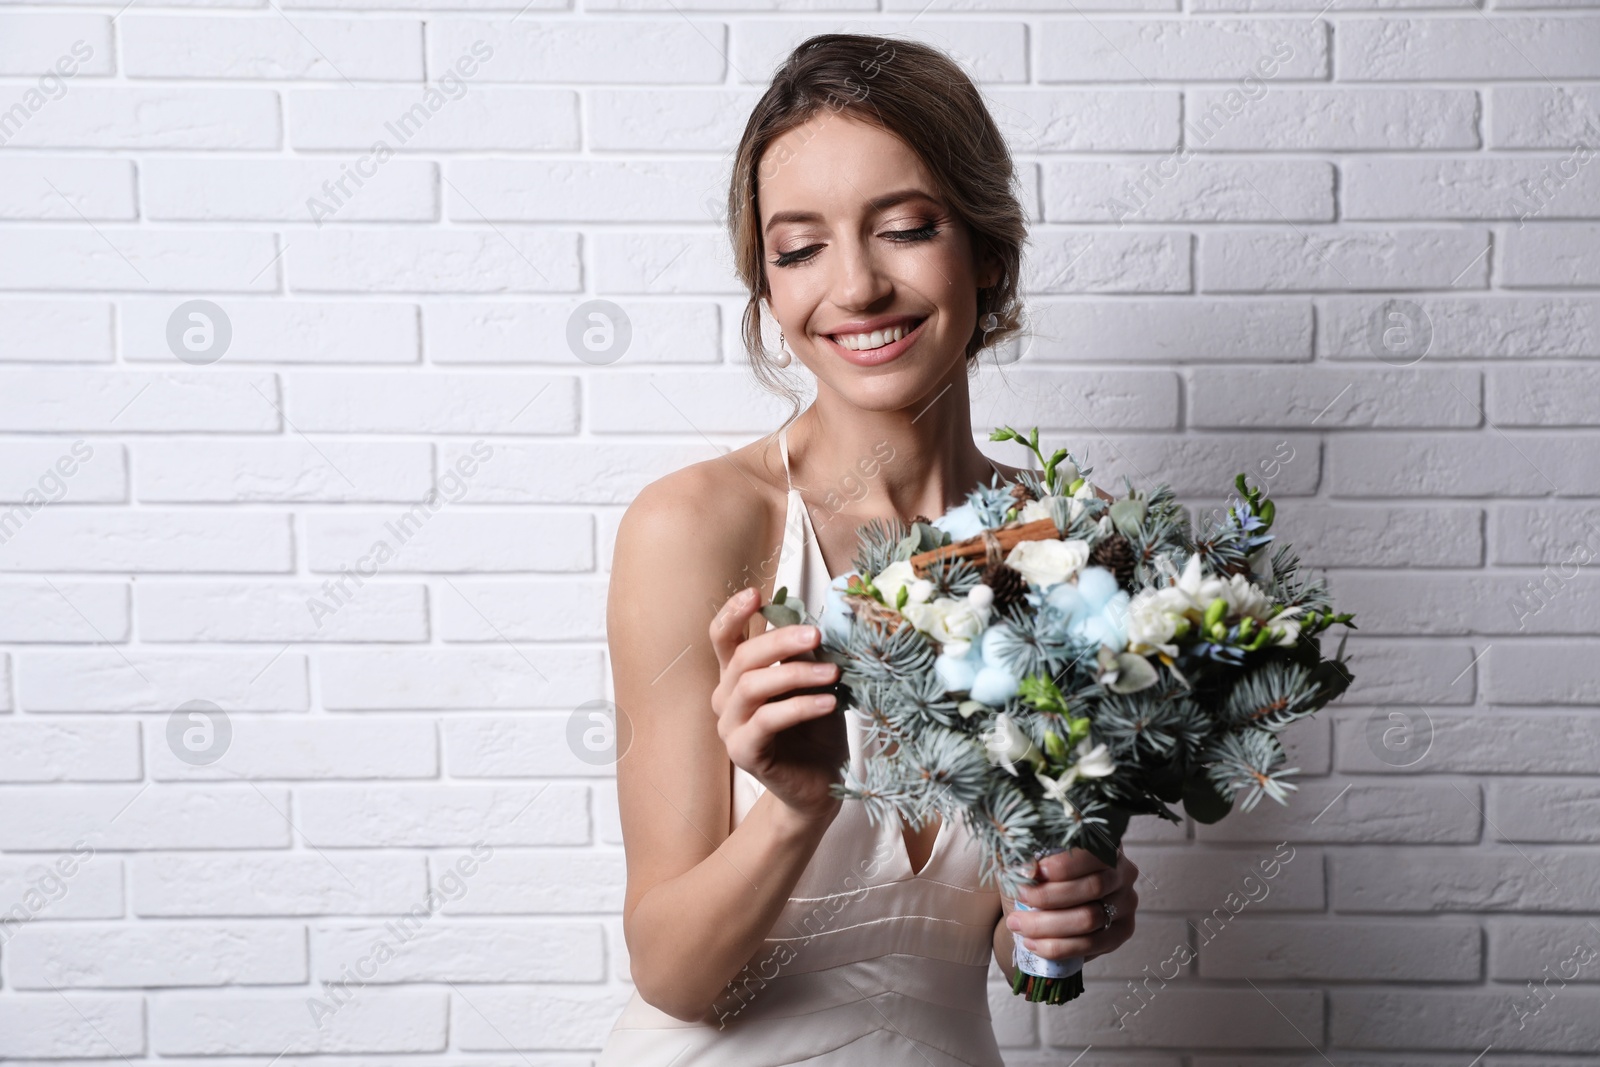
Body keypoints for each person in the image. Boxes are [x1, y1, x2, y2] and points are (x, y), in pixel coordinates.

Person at [596, 33, 1141, 1065]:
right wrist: (799, 804)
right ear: (768, 285)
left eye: (902, 228)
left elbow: (1008, 951)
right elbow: (673, 974)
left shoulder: (1075, 545)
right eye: (799, 248)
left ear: (985, 247)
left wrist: (1068, 918)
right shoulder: (700, 527)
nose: (853, 287)